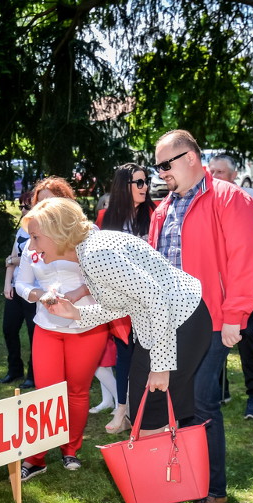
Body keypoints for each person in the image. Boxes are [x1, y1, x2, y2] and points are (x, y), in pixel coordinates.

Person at [30, 197, 210, 503]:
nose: (33, 248)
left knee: (149, 423)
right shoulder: (90, 250)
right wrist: (76, 314)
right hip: (164, 325)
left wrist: (161, 364)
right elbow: (122, 304)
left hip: (179, 324)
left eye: (36, 238)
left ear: (56, 233)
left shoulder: (96, 253)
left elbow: (156, 297)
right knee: (146, 423)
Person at [148, 130, 253, 503]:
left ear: (192, 157)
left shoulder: (232, 199)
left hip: (211, 320)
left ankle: (214, 491)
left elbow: (246, 261)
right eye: (158, 165)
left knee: (202, 399)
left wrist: (235, 317)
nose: (161, 172)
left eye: (167, 164)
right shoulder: (162, 209)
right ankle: (188, 481)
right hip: (169, 321)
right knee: (176, 404)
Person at [15, 177, 109, 479]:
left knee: (78, 392)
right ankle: (36, 457)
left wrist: (78, 294)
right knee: (45, 393)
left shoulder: (87, 234)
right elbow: (21, 282)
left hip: (86, 325)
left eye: (49, 201)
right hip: (47, 326)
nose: (42, 206)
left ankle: (71, 449)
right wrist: (40, 295)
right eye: (38, 201)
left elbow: (103, 278)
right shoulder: (32, 237)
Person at [94, 163, 157, 432]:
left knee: (150, 357)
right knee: (124, 355)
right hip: (120, 300)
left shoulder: (155, 213)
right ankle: (122, 411)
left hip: (151, 297)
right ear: (124, 186)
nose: (145, 188)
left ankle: (147, 413)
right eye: (139, 183)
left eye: (146, 182)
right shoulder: (106, 219)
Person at [208, 154, 253, 419]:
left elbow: (250, 245)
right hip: (213, 288)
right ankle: (220, 391)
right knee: (211, 341)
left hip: (239, 288)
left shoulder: (246, 196)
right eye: (212, 171)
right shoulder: (206, 197)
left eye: (220, 172)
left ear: (234, 175)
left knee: (247, 342)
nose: (215, 176)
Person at [0, 189, 36, 389]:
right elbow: (11, 258)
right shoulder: (21, 229)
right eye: (20, 206)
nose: (22, 210)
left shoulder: (42, 229)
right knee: (9, 329)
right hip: (15, 287)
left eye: (26, 206)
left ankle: (33, 374)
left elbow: (37, 256)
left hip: (33, 289)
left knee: (33, 333)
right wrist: (7, 284)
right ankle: (14, 369)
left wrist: (13, 260)